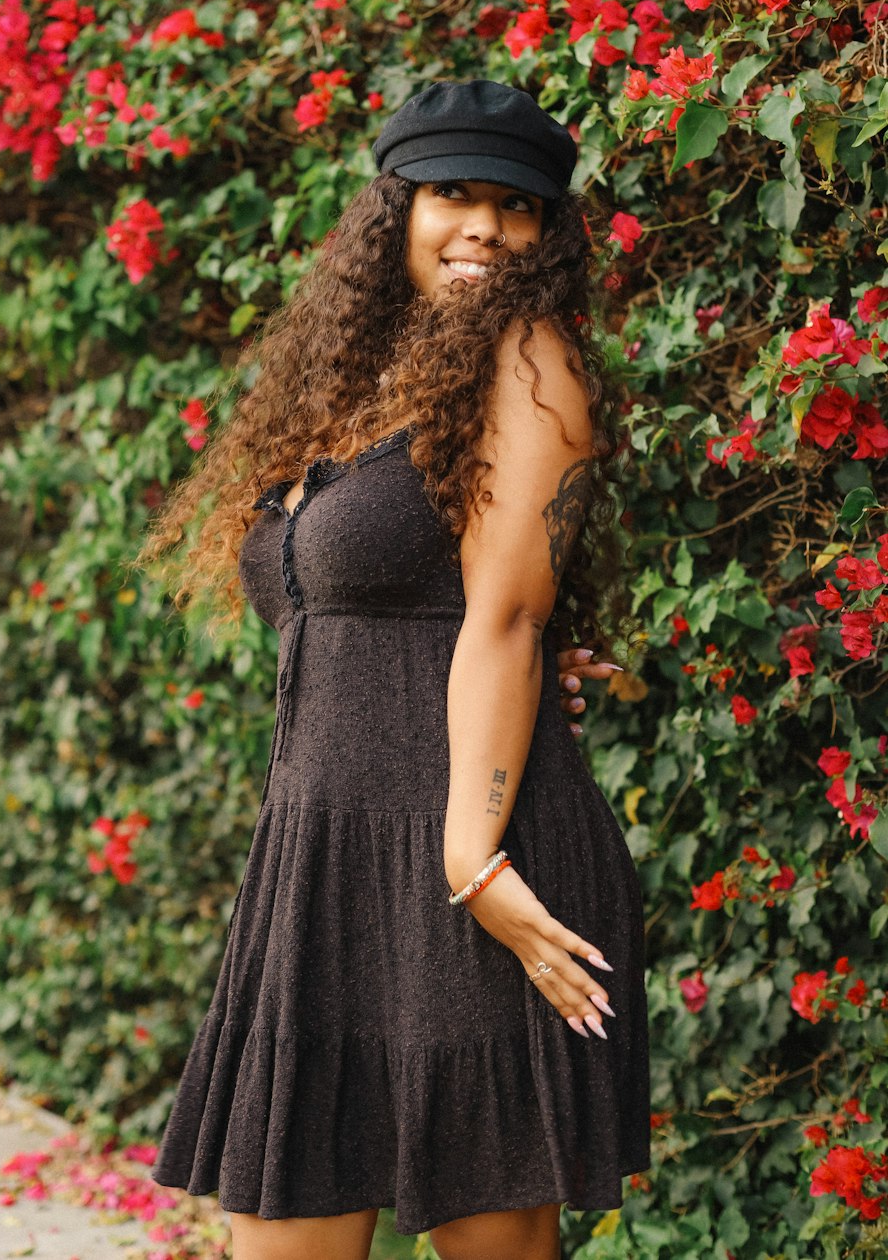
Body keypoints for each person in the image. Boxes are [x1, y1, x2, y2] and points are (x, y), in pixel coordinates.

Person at [139, 79, 650, 1260]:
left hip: (473, 856)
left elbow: (506, 620)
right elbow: (389, 611)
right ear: (395, 211)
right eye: (453, 195)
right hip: (322, 861)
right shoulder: (355, 382)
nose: (483, 227)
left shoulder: (526, 362)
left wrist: (474, 864)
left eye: (515, 208)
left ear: (546, 235)